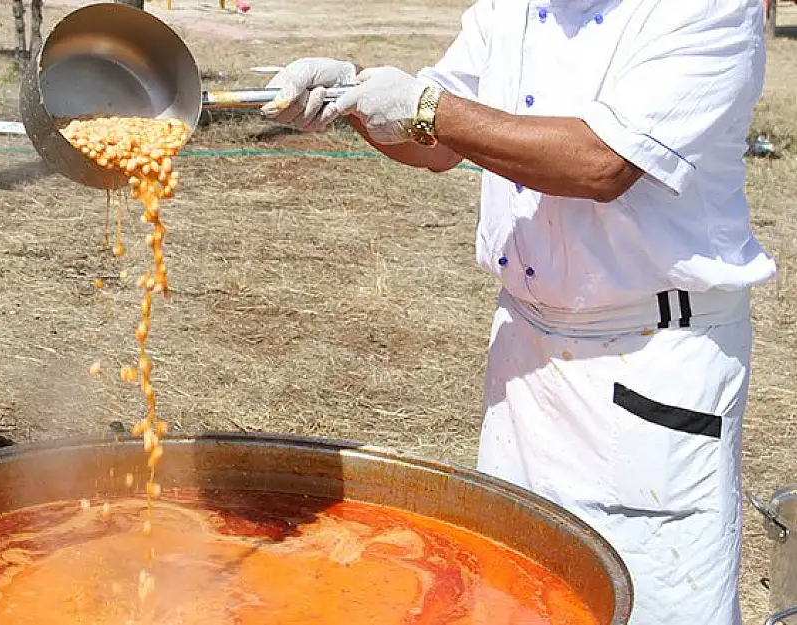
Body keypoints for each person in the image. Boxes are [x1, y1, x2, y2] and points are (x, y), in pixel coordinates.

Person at [261, 1, 774, 623]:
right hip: (526, 353)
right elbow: (436, 142)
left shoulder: (705, 8)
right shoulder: (514, 8)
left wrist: (426, 108)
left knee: (651, 594)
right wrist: (356, 95)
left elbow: (601, 162)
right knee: (513, 587)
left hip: (649, 359)